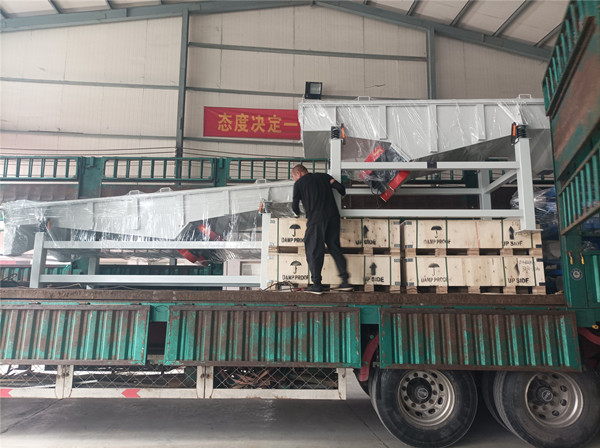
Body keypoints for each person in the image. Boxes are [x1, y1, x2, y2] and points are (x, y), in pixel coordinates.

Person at [291, 164, 352, 294]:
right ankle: (345, 281)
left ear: (298, 174)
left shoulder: (299, 184)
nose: (294, 179)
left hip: (316, 220)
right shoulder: (324, 177)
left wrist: (297, 214)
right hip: (333, 217)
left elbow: (294, 207)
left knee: (313, 250)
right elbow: (341, 189)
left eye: (293, 177)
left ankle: (317, 285)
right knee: (334, 248)